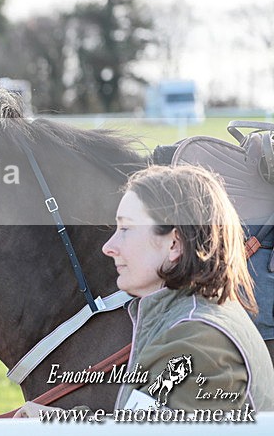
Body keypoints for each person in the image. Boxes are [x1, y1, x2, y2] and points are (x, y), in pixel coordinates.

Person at [16, 165, 274, 416]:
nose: (109, 247)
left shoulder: (194, 339)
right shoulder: (190, 317)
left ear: (174, 244)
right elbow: (140, 420)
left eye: (126, 229)